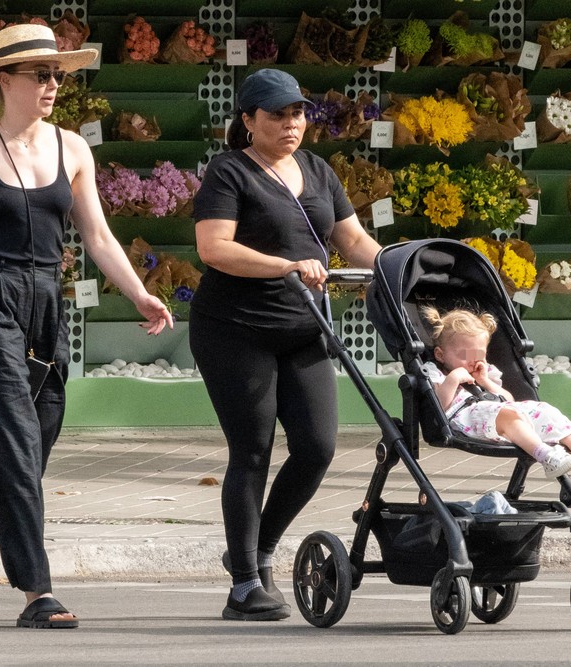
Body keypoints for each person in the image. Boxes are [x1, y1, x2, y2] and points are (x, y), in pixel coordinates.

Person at [0, 24, 173, 630]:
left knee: (31, 442)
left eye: (57, 74)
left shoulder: (73, 149)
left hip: (47, 301)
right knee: (14, 443)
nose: (51, 84)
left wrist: (141, 293)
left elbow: (96, 235)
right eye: (39, 74)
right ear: (2, 80)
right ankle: (35, 591)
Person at [189, 68, 382, 621]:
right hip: (234, 330)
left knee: (318, 447)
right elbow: (214, 248)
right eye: (276, 114)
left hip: (304, 329)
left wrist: (404, 267)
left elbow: (353, 240)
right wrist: (286, 266)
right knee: (251, 450)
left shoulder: (319, 170)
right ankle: (245, 584)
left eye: (297, 112)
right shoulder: (229, 173)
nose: (291, 123)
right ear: (248, 121)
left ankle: (255, 549)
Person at [420, 306, 571, 480]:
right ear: (440, 355)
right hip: (466, 418)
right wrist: (453, 378)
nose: (473, 360)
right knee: (509, 415)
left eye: (479, 354)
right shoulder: (437, 373)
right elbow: (440, 407)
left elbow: (507, 400)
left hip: (500, 412)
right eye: (464, 355)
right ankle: (547, 456)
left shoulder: (486, 372)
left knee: (545, 410)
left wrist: (485, 382)